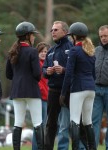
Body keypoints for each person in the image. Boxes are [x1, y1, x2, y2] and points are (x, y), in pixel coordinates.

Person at [6, 21, 44, 150]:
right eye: (32, 35)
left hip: (17, 91)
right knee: (37, 122)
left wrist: (18, 79)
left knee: (17, 123)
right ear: (27, 35)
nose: (34, 37)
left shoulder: (12, 51)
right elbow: (38, 74)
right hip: (32, 90)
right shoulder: (32, 51)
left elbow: (8, 74)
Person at [59, 22, 96, 150]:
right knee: (88, 121)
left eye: (71, 36)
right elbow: (93, 74)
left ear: (75, 36)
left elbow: (68, 73)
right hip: (91, 89)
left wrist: (63, 93)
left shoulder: (74, 50)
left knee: (74, 120)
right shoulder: (90, 51)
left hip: (78, 88)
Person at [42, 21, 73, 150]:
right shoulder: (51, 50)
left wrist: (64, 70)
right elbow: (43, 70)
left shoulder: (72, 48)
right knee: (50, 123)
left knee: (68, 124)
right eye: (52, 30)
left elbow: (77, 70)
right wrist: (47, 72)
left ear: (65, 32)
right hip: (53, 91)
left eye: (56, 30)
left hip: (69, 91)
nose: (52, 32)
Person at [92, 25, 108, 149]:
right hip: (96, 90)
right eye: (101, 36)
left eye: (106, 36)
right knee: (94, 121)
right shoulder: (95, 50)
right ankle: (93, 147)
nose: (103, 38)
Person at [32, 42, 50, 150]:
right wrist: (41, 90)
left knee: (44, 124)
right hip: (39, 97)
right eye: (42, 51)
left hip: (48, 97)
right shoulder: (36, 64)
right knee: (39, 124)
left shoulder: (48, 64)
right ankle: (36, 147)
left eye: (46, 52)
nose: (44, 54)